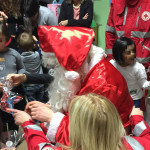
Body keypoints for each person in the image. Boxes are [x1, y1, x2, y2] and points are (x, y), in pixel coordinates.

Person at [8, 93, 150, 150]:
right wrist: (136, 119)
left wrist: (27, 123)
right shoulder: (137, 145)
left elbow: (40, 146)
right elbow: (146, 136)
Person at [105, 0, 150, 77]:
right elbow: (110, 32)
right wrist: (110, 58)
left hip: (143, 63)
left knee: (142, 87)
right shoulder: (116, 2)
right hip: (119, 63)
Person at [0, 20, 26, 132]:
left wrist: (19, 76)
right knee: (3, 117)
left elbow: (22, 68)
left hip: (14, 92)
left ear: (6, 40)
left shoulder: (14, 53)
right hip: (0, 94)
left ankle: (14, 135)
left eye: (0, 40)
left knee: (14, 116)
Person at [110, 37, 150, 108]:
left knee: (134, 118)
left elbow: (144, 84)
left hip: (134, 99)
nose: (133, 54)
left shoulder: (138, 68)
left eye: (134, 51)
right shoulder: (112, 64)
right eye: (128, 52)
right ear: (118, 53)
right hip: (118, 98)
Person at [17, 32, 45, 102]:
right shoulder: (37, 54)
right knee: (40, 102)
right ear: (33, 45)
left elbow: (19, 50)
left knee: (31, 104)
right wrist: (36, 41)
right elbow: (42, 47)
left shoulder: (19, 57)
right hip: (40, 83)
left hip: (28, 86)